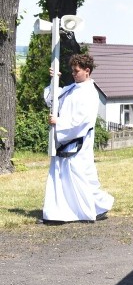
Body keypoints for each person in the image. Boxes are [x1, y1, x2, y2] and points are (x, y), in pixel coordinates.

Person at [42, 53, 114, 224]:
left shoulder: (90, 92)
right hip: (65, 141)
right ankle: (60, 212)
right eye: (72, 71)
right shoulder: (72, 88)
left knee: (81, 177)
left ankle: (99, 207)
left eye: (76, 71)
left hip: (78, 142)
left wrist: (58, 122)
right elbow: (51, 100)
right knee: (64, 178)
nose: (73, 74)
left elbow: (83, 120)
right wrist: (54, 81)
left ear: (87, 71)